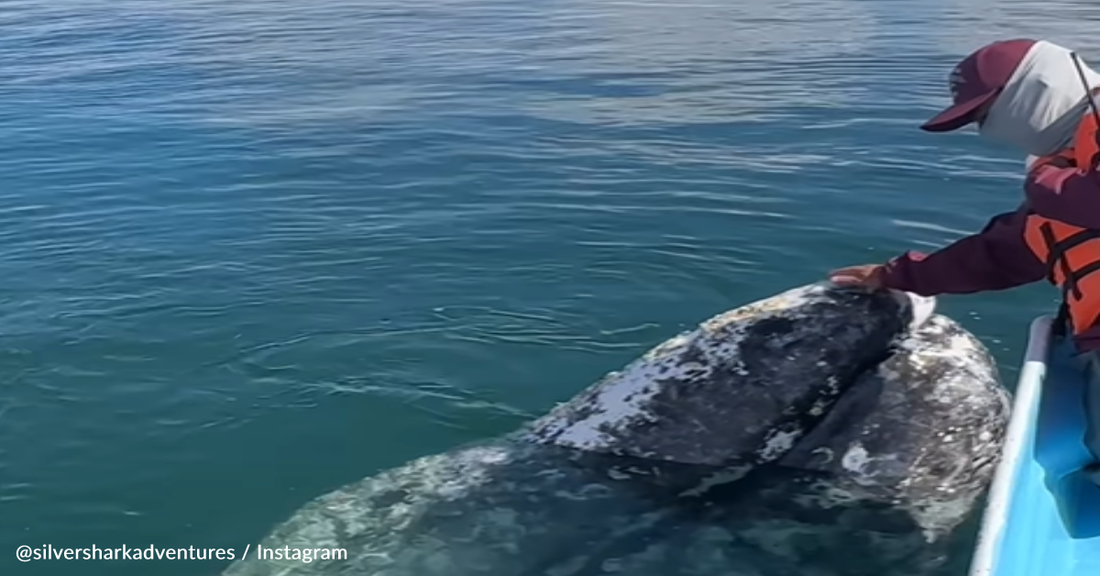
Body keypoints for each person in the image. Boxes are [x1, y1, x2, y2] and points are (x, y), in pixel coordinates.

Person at [826, 38, 1100, 483]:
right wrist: (898, 274)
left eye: (984, 115)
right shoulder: (1059, 182)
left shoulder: (1058, 181)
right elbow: (999, 255)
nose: (987, 132)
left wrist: (1050, 185)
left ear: (1034, 92)